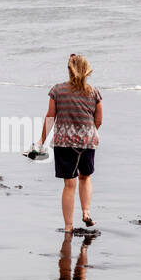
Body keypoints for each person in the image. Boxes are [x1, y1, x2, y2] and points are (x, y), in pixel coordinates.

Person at [35, 53, 103, 234]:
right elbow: (99, 120)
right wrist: (89, 134)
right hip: (87, 142)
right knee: (85, 177)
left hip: (64, 143)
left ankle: (68, 226)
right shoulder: (94, 92)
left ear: (69, 70)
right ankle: (86, 212)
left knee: (69, 184)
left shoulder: (57, 91)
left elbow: (50, 116)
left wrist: (42, 141)